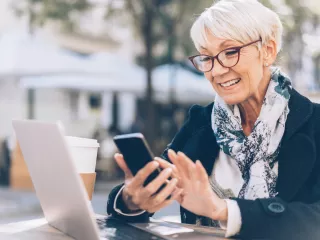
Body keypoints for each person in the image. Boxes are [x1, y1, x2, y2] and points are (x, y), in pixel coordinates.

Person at [106, 0, 320, 239]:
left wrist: (225, 210)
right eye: (206, 58)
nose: (216, 71)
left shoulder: (315, 123)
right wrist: (132, 198)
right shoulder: (202, 122)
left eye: (230, 52)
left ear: (268, 51)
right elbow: (155, 189)